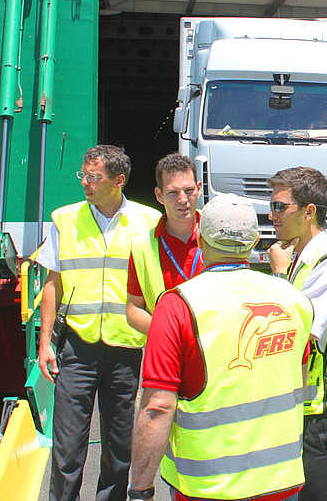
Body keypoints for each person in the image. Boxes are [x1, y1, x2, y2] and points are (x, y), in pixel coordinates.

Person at [129, 193, 314, 501]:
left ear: (199, 241)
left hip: (207, 487)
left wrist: (140, 489)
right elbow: (298, 380)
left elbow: (157, 407)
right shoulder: (293, 300)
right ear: (255, 242)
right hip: (281, 481)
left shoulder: (179, 305)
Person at [36, 145, 162, 501]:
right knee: (68, 448)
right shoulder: (64, 219)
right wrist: (46, 343)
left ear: (118, 181)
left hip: (128, 349)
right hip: (78, 347)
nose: (85, 183)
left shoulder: (149, 222)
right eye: (83, 175)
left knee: (120, 449)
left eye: (94, 177)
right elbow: (52, 283)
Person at [267, 167, 327, 501]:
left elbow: (297, 336)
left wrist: (278, 276)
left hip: (324, 414)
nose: (271, 214)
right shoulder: (302, 257)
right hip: (303, 408)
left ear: (309, 212)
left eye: (280, 207)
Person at [125, 153, 204, 335]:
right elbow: (133, 309)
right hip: (167, 351)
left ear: (199, 188)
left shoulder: (217, 235)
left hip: (212, 348)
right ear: (159, 195)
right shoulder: (141, 246)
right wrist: (168, 335)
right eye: (172, 193)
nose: (183, 199)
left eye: (189, 190)